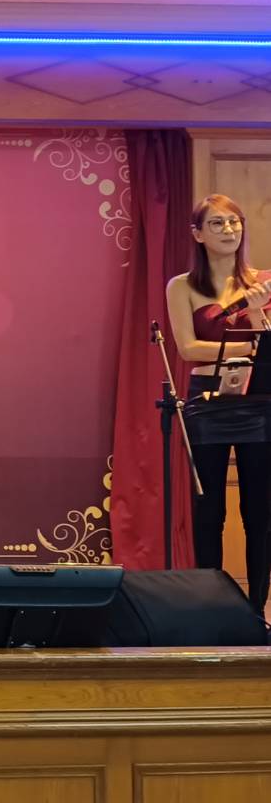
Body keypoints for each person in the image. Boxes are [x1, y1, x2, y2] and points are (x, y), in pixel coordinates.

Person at [165, 193, 271, 613]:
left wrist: (257, 313)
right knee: (209, 511)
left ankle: (256, 611)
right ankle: (211, 610)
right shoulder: (182, 286)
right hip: (207, 403)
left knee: (259, 512)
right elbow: (188, 349)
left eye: (234, 222)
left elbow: (268, 345)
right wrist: (245, 349)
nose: (229, 230)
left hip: (258, 401)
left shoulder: (263, 281)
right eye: (217, 224)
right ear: (197, 234)